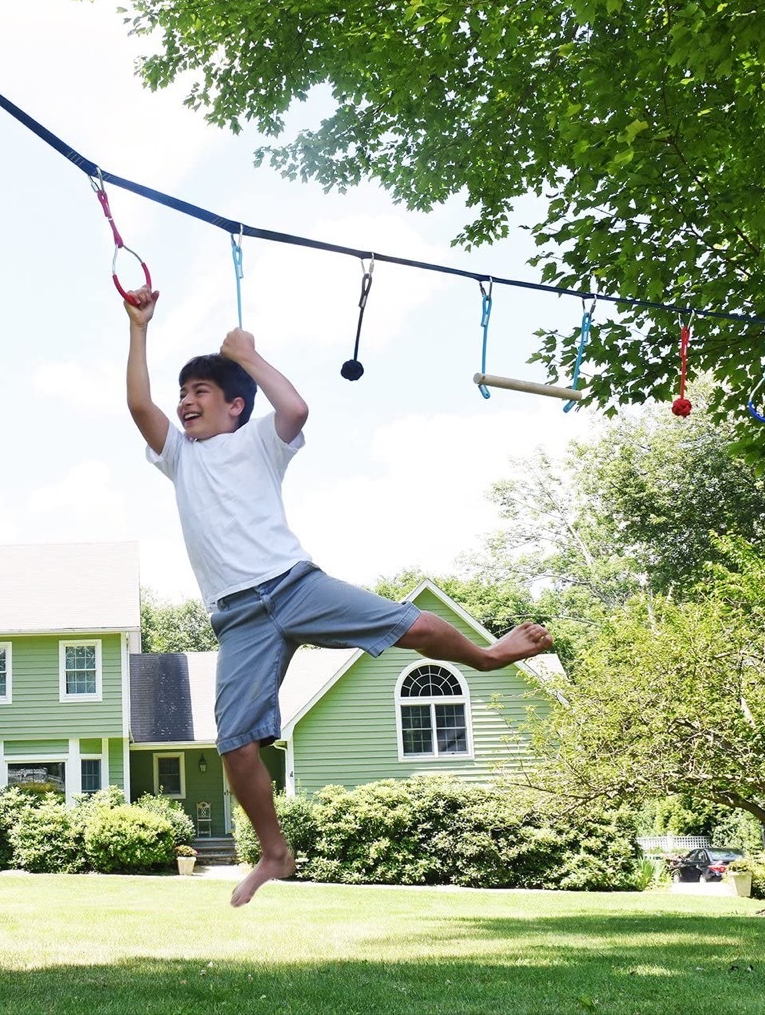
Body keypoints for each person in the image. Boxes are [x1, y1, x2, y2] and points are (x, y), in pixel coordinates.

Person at [123, 285, 554, 906]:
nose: (186, 402)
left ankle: (489, 655)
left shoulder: (258, 440)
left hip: (295, 586)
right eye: (182, 393)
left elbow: (295, 409)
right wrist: (140, 327)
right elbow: (140, 406)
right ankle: (275, 853)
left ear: (236, 406)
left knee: (419, 628)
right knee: (235, 743)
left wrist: (247, 355)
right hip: (238, 617)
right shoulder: (179, 458)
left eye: (201, 392)